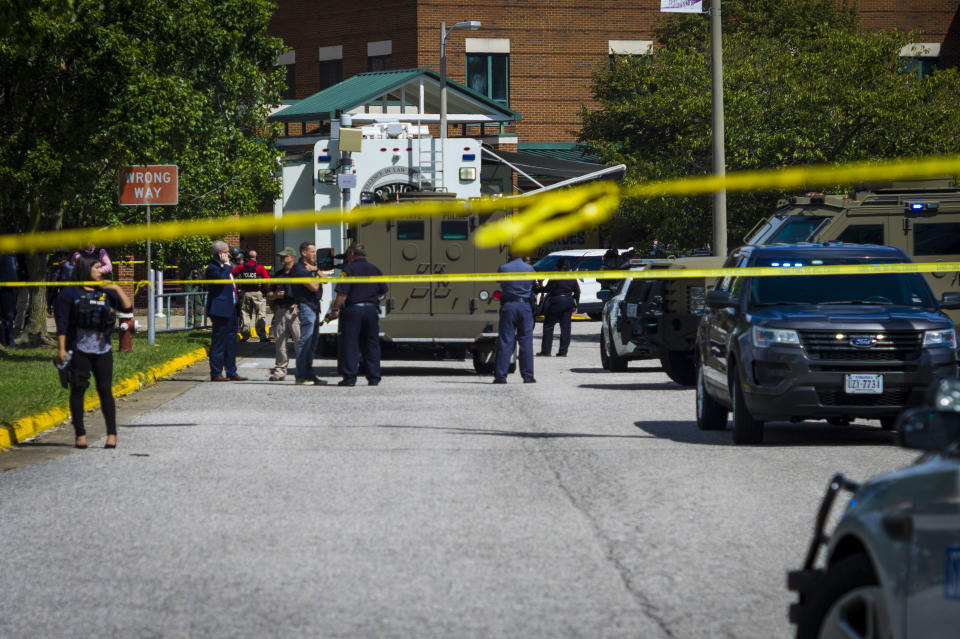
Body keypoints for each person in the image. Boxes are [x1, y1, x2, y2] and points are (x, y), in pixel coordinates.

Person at [54, 253, 133, 449]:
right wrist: (62, 350)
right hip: (79, 349)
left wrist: (115, 287)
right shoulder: (69, 294)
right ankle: (80, 434)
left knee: (105, 390)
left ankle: (111, 434)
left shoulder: (105, 292)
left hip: (103, 349)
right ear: (85, 269)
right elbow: (62, 325)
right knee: (78, 390)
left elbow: (128, 307)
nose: (101, 271)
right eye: (97, 267)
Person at [327, 243, 388, 387]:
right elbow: (383, 290)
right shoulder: (375, 269)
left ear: (352, 255)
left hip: (353, 310)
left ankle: (349, 378)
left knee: (350, 344)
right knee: (371, 344)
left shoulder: (348, 270)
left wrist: (335, 310)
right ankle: (374, 377)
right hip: (371, 310)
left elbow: (342, 294)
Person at [204, 240, 247, 382]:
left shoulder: (226, 268)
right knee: (219, 342)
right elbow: (221, 281)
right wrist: (227, 266)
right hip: (220, 310)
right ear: (219, 253)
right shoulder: (213, 268)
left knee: (231, 342)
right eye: (226, 251)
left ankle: (232, 372)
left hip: (232, 308)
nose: (229, 254)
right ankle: (216, 373)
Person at [493, 251, 536, 384]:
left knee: (506, 341)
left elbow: (499, 282)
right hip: (525, 307)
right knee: (526, 341)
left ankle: (501, 376)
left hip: (509, 306)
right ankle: (528, 376)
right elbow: (533, 285)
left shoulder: (503, 268)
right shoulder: (530, 269)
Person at [289, 241, 325, 385]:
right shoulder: (299, 269)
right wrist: (317, 273)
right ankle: (301, 376)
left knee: (312, 343)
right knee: (305, 341)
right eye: (312, 251)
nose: (315, 254)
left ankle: (309, 374)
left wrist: (315, 270)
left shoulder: (310, 268)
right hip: (306, 307)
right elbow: (314, 287)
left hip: (314, 307)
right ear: (304, 253)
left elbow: (326, 279)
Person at [266, 247, 300, 381]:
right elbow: (268, 294)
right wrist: (275, 295)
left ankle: (302, 370)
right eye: (280, 256)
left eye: (284, 256)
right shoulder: (277, 275)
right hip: (280, 310)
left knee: (299, 341)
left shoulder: (299, 273)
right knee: (280, 342)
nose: (281, 259)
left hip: (295, 310)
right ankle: (280, 371)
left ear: (292, 257)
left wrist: (299, 305)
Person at [537, 258, 580, 357]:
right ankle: (563, 351)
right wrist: (575, 304)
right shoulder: (572, 277)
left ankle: (546, 351)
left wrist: (538, 289)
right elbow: (577, 292)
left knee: (548, 326)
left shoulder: (555, 276)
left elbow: (548, 289)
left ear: (558, 266)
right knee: (565, 328)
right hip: (568, 302)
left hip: (556, 302)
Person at [231, 248, 270, 341]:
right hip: (258, 293)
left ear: (247, 258)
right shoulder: (260, 267)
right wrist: (266, 290)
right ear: (256, 257)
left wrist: (237, 286)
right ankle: (262, 336)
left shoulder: (242, 267)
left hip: (246, 294)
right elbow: (267, 280)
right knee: (260, 314)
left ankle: (245, 335)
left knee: (245, 314)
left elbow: (231, 274)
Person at [0, 253, 19, 348]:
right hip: (6, 289)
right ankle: (4, 341)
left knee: (9, 316)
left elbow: (14, 274)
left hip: (9, 290)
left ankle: (10, 342)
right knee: (6, 317)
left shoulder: (11, 256)